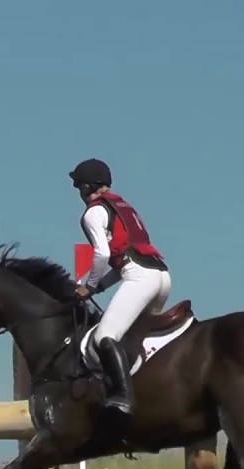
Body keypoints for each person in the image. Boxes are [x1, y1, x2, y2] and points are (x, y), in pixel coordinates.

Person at [69, 158, 171, 415]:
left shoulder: (93, 212)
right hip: (161, 276)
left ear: (86, 187)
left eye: (78, 187)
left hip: (140, 278)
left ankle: (123, 398)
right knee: (134, 343)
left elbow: (102, 255)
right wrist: (100, 286)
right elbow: (124, 260)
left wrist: (88, 286)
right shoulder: (123, 207)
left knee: (105, 337)